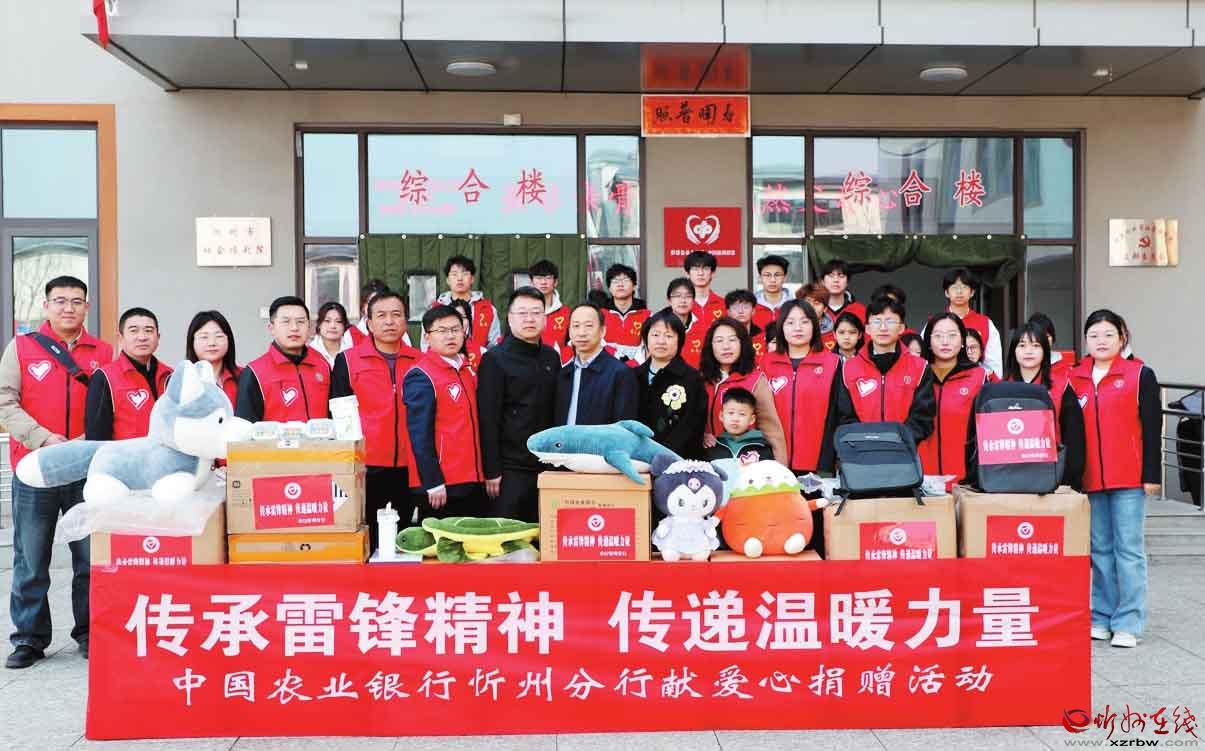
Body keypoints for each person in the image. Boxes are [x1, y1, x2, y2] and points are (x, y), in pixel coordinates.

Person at [0, 275, 112, 668]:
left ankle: (91, 632)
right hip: (35, 469)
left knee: (90, 558)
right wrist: (43, 439)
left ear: (87, 307)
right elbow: (5, 401)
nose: (69, 307)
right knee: (31, 559)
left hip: (86, 470)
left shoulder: (103, 351)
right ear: (46, 306)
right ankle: (29, 639)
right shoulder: (22, 348)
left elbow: (109, 406)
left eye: (77, 301)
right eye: (60, 300)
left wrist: (82, 443)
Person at [1070, 309, 1161, 649]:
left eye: (1109, 334)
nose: (1101, 341)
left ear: (1122, 338)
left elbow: (1152, 427)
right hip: (1090, 478)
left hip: (1129, 478)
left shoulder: (1139, 374)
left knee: (1129, 550)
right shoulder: (1075, 378)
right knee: (1100, 551)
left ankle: (1129, 621)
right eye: (1094, 335)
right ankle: (1101, 616)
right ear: (1086, 340)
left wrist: (1151, 474)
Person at [330, 290, 419, 551]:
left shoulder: (421, 361)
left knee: (406, 540)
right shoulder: (348, 361)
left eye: (396, 315)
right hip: (367, 466)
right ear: (368, 323)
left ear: (405, 321)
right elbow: (340, 417)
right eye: (381, 315)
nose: (389, 321)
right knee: (366, 539)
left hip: (411, 466)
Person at [760, 300, 842, 555]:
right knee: (777, 530)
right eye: (791, 322)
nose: (798, 328)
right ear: (781, 328)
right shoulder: (766, 364)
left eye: (805, 322)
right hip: (775, 461)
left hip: (817, 463)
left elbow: (839, 414)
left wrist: (828, 459)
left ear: (815, 327)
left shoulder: (833, 363)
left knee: (814, 530)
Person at [477, 287, 562, 523]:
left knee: (545, 532)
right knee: (508, 533)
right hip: (509, 469)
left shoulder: (551, 357)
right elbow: (488, 418)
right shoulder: (494, 359)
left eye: (536, 312)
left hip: (547, 464)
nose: (529, 319)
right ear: (510, 318)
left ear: (545, 318)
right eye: (522, 313)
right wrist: (492, 471)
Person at [403, 305, 486, 519]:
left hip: (471, 476)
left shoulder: (467, 370)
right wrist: (432, 481)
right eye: (442, 331)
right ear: (427, 336)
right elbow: (419, 434)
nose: (450, 336)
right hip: (442, 484)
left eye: (455, 329)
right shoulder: (421, 374)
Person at [837, 296, 936, 444]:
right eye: (877, 321)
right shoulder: (848, 368)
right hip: (861, 451)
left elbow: (923, 417)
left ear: (902, 327)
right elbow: (844, 416)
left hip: (905, 451)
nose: (883, 327)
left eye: (890, 321)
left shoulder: (919, 367)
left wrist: (897, 439)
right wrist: (866, 440)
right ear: (867, 328)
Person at [1000, 321, 1085, 489]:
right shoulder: (1000, 390)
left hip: (1052, 477)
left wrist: (1067, 481)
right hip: (1008, 479)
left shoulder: (1061, 386)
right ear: (1013, 351)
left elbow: (1074, 438)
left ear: (1045, 350)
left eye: (1036, 345)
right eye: (1022, 345)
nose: (1028, 351)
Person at [699, 318, 788, 462]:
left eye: (732, 340)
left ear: (742, 343)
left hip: (746, 461)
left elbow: (771, 430)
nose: (726, 346)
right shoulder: (702, 380)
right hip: (709, 460)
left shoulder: (755, 380)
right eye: (719, 341)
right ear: (710, 346)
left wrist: (780, 469)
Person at [916, 313, 988, 482]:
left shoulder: (978, 376)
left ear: (962, 340)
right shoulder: (917, 375)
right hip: (920, 479)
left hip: (965, 480)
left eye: (952, 335)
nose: (945, 341)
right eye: (938, 336)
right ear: (928, 341)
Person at [236, 296, 331, 422]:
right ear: (271, 328)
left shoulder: (323, 365)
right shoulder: (255, 373)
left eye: (300, 321)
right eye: (286, 322)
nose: (294, 328)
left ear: (309, 327)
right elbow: (244, 426)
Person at [85, 307, 173, 440]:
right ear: (120, 338)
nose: (142, 337)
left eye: (148, 330)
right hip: (123, 454)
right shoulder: (104, 377)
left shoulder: (170, 376)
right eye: (133, 331)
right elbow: (96, 437)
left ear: (158, 337)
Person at [635, 309, 707, 460]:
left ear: (679, 340)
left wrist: (661, 457)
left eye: (668, 336)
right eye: (655, 335)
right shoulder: (633, 376)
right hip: (636, 460)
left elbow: (691, 426)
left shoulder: (691, 379)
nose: (661, 341)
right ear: (646, 338)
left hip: (678, 462)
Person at [555, 303, 638, 426]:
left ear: (602, 331)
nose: (581, 333)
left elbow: (624, 426)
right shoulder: (564, 373)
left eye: (588, 326)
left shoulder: (620, 373)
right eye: (576, 326)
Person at [429, 255, 501, 352]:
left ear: (472, 279)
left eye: (465, 273)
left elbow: (494, 345)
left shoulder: (487, 309)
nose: (459, 278)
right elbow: (427, 344)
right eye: (454, 274)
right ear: (447, 280)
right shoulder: (435, 308)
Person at [939, 267, 1002, 377]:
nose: (959, 292)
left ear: (972, 292)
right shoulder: (935, 323)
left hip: (978, 383)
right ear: (946, 293)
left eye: (964, 287)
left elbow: (994, 367)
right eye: (954, 287)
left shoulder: (985, 323)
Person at [185, 310, 241, 407]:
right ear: (192, 341)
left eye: (219, 336)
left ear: (229, 340)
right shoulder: (182, 380)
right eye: (204, 337)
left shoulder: (244, 377)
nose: (212, 343)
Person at [707, 388, 774, 464]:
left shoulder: (762, 446)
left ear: (752, 419)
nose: (735, 419)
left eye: (742, 414)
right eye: (731, 413)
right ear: (721, 416)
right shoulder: (713, 445)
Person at [601, 263, 649, 365]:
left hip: (637, 369)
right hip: (606, 368)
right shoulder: (599, 315)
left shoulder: (648, 316)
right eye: (615, 281)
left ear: (634, 286)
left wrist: (632, 365)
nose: (620, 284)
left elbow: (648, 347)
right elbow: (596, 344)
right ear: (609, 288)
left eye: (625, 280)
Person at [664, 276, 709, 369]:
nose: (683, 301)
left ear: (693, 300)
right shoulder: (658, 327)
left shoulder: (704, 329)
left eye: (688, 296)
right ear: (669, 300)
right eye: (677, 296)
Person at [530, 259, 569, 357]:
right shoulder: (522, 312)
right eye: (539, 278)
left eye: (548, 278)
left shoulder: (566, 313)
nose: (543, 282)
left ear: (555, 282)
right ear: (531, 282)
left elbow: (571, 344)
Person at [818, 259, 867, 327]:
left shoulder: (860, 310)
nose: (836, 280)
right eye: (831, 275)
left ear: (847, 282)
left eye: (841, 276)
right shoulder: (814, 309)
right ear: (822, 281)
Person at [1028, 311, 1074, 380]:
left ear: (1052, 338)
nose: (1043, 340)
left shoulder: (1065, 369)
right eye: (1039, 336)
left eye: (1047, 336)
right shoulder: (1022, 367)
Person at [725, 289, 769, 360]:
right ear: (728, 312)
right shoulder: (723, 337)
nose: (740, 311)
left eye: (746, 307)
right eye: (735, 307)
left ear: (753, 311)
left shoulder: (763, 336)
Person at [684, 250, 725, 324]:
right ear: (687, 274)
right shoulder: (681, 305)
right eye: (695, 269)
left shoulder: (724, 304)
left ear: (712, 273)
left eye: (705, 268)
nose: (700, 273)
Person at [308, 301, 352, 369]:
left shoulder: (352, 351)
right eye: (327, 321)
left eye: (338, 321)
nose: (333, 326)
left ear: (344, 325)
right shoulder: (308, 353)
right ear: (319, 324)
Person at [754, 254, 791, 329]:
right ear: (760, 278)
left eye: (777, 275)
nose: (772, 280)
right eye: (767, 275)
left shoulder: (794, 304)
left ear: (785, 278)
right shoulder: (752, 305)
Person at [349, 278, 389, 346]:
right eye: (370, 302)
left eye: (380, 303)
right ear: (363, 306)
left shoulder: (397, 331)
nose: (376, 308)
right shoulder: (350, 335)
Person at [447, 298, 483, 373]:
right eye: (455, 317)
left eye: (463, 317)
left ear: (469, 321)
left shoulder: (482, 352)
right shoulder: (438, 351)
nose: (458, 321)